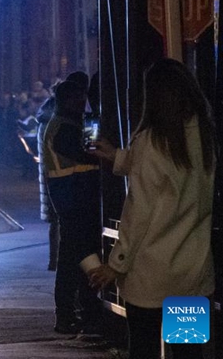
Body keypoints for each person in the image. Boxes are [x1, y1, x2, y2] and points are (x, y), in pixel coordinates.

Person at [88, 58, 215, 358]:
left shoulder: (151, 141)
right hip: (192, 275)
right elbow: (173, 177)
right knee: (188, 352)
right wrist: (120, 157)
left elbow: (139, 212)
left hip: (150, 279)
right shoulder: (204, 137)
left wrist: (115, 264)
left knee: (144, 348)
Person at [42, 78, 102, 334]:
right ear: (66, 100)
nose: (82, 102)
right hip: (73, 199)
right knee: (72, 259)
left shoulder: (68, 124)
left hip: (74, 199)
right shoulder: (64, 128)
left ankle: (81, 311)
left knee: (76, 256)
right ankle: (68, 314)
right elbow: (89, 153)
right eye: (77, 97)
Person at [36, 71, 89, 271]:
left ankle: (57, 262)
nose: (84, 101)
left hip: (60, 184)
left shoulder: (53, 119)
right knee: (70, 240)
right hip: (69, 186)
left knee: (63, 231)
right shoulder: (63, 124)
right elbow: (82, 155)